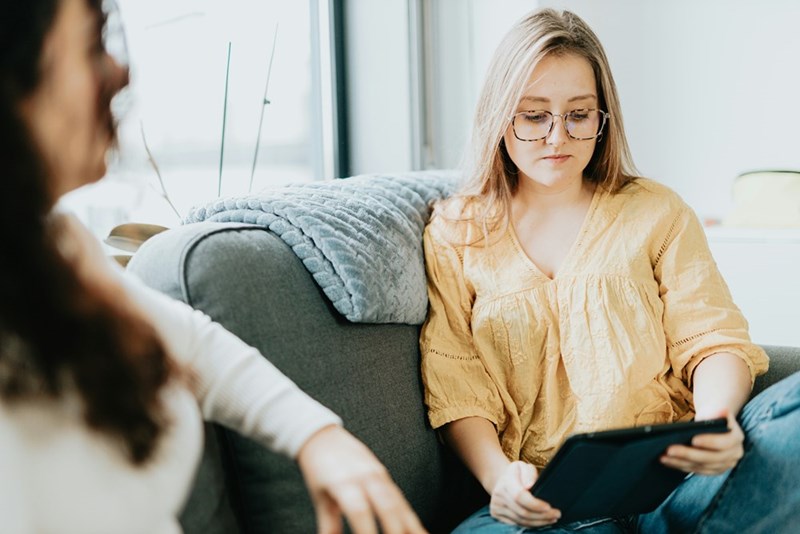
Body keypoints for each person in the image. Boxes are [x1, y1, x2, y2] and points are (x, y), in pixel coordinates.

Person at [0, 1, 427, 533]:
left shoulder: (57, 248)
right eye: (92, 45)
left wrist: (320, 437)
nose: (120, 71)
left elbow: (192, 340)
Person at [419, 8, 800, 533]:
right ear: (498, 117)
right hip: (545, 507)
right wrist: (500, 479)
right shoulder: (456, 232)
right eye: (534, 116)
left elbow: (712, 338)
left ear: (604, 118)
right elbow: (457, 383)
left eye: (579, 114)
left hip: (675, 483)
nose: (559, 137)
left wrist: (715, 423)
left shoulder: (657, 211)